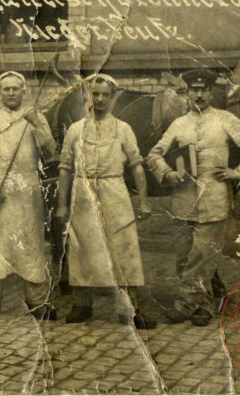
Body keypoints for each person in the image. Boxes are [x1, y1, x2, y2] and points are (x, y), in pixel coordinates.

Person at [147, 68, 240, 326]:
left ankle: (185, 305)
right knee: (183, 255)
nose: (199, 94)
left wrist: (238, 172)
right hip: (182, 202)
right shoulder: (178, 124)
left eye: (204, 90)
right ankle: (204, 305)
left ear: (211, 92)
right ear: (188, 93)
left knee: (200, 255)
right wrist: (168, 174)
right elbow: (154, 155)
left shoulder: (224, 119)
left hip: (214, 200)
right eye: (194, 90)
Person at [55, 74, 157, 328]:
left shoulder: (123, 129)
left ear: (113, 98)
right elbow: (65, 169)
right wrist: (62, 205)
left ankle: (129, 308)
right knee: (82, 247)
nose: (99, 100)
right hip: (83, 192)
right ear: (88, 97)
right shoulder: (75, 130)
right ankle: (82, 304)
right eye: (95, 94)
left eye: (105, 95)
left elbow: (136, 166)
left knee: (124, 247)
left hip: (115, 190)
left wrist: (143, 201)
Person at [0, 71, 57, 320]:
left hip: (27, 190)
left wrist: (36, 123)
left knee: (30, 244)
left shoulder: (35, 117)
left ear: (24, 91)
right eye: (6, 89)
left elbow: (50, 150)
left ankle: (37, 300)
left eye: (15, 89)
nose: (10, 93)